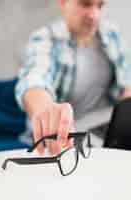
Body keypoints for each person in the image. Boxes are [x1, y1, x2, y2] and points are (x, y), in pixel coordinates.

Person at [15, 0, 131, 155]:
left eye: (100, 6)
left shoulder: (110, 33)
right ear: (63, 2)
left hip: (105, 124)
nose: (94, 15)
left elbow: (126, 81)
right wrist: (45, 109)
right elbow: (34, 79)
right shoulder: (45, 38)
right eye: (85, 4)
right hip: (70, 134)